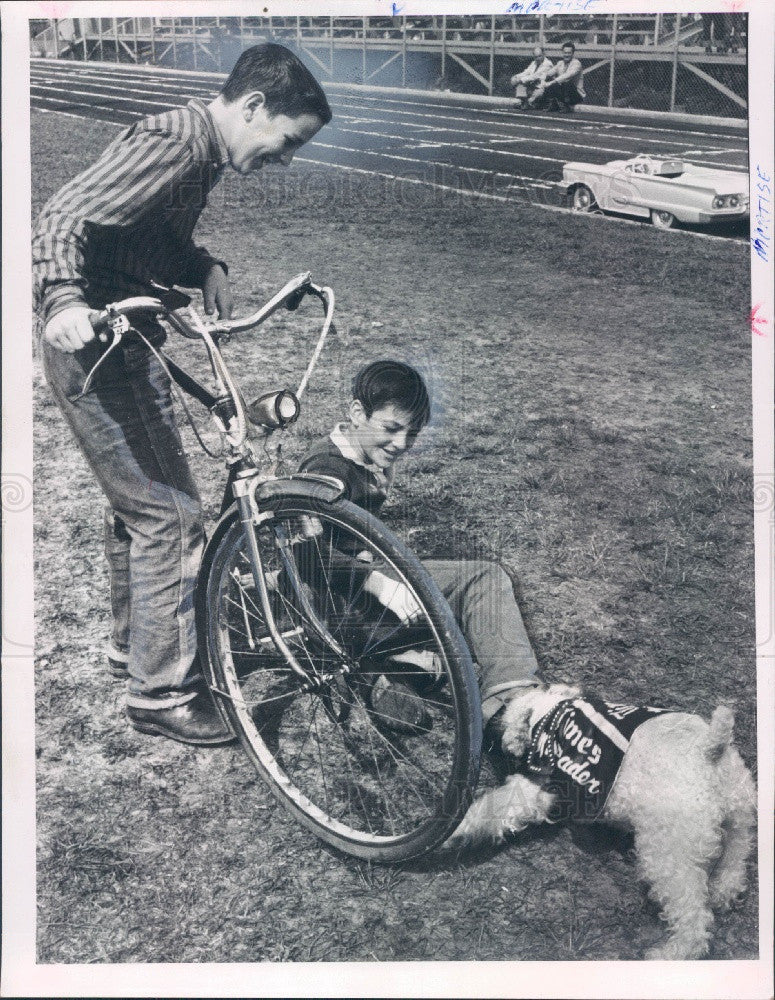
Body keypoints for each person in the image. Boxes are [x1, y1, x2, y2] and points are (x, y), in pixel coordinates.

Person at [32, 44, 332, 746]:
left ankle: (134, 646)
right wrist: (61, 297)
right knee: (168, 516)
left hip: (128, 333)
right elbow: (62, 218)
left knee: (137, 506)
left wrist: (203, 265)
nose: (283, 159)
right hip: (97, 341)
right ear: (254, 107)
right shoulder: (177, 141)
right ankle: (160, 693)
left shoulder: (199, 153)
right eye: (286, 142)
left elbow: (138, 233)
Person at [297, 360, 543, 747]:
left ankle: (513, 700)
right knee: (447, 621)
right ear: (357, 412)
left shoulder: (365, 455)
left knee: (484, 578)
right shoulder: (325, 467)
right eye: (392, 429)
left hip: (364, 581)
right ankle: (389, 668)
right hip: (331, 596)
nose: (401, 444)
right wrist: (376, 582)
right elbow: (305, 559)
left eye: (411, 434)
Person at [528, 41, 586, 112]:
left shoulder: (577, 63)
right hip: (564, 92)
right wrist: (543, 79)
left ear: (573, 53)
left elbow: (567, 76)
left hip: (576, 95)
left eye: (569, 53)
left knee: (565, 82)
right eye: (565, 53)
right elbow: (548, 73)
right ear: (562, 53)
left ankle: (564, 105)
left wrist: (552, 82)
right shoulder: (560, 63)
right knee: (549, 81)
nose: (566, 55)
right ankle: (553, 103)